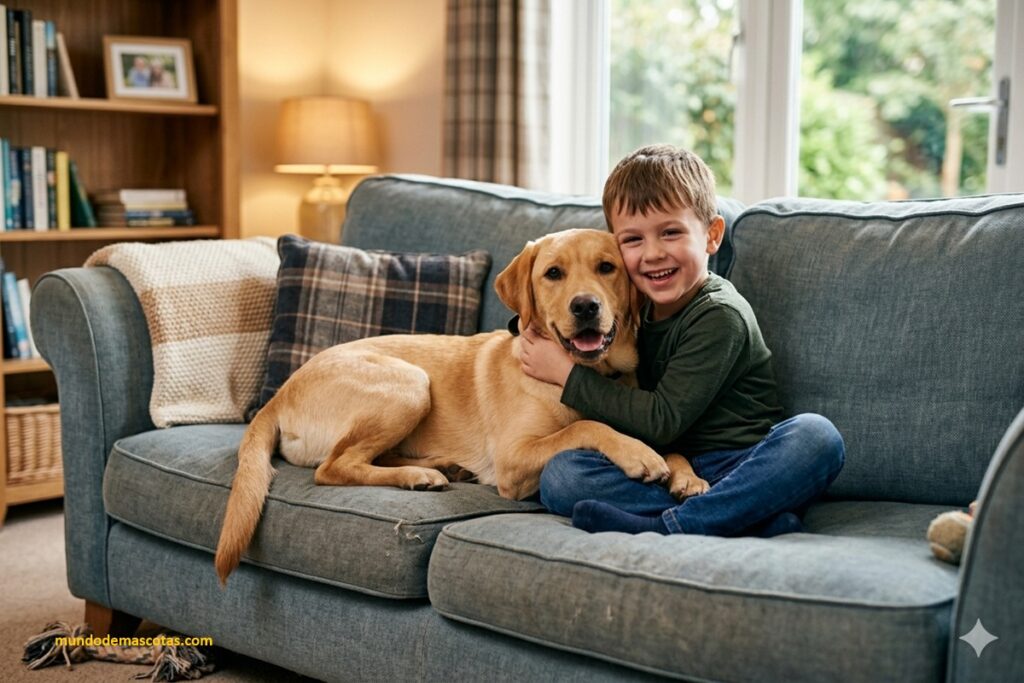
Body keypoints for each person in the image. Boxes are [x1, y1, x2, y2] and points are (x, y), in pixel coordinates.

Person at [519, 144, 845, 537]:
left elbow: (662, 421)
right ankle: (748, 518)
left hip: (741, 463)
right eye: (634, 240)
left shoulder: (719, 315)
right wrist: (525, 329)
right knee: (562, 475)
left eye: (670, 232)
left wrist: (567, 375)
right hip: (671, 467)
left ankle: (672, 523)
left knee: (816, 437)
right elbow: (561, 307)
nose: (653, 253)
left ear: (711, 235)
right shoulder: (635, 308)